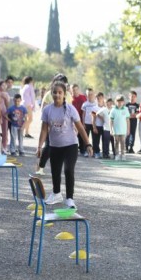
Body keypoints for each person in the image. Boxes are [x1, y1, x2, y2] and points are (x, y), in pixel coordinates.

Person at [37, 81, 93, 209]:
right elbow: (44, 130)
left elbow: (80, 127)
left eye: (60, 92)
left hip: (70, 145)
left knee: (68, 170)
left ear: (64, 94)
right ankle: (56, 194)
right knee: (55, 171)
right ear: (51, 93)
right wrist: (39, 146)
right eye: (55, 92)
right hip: (54, 146)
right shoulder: (47, 110)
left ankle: (69, 199)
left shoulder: (70, 109)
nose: (57, 95)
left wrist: (88, 144)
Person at [35, 74, 72, 176]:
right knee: (48, 147)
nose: (62, 84)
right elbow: (44, 109)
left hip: (63, 126)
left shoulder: (68, 95)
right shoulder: (49, 94)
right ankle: (40, 166)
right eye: (60, 81)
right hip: (50, 126)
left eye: (64, 82)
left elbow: (70, 110)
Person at [110, 95, 130, 161]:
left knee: (123, 143)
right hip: (116, 130)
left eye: (121, 102)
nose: (119, 103)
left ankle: (123, 155)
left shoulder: (126, 109)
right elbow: (111, 120)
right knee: (116, 143)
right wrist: (111, 129)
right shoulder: (113, 110)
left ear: (123, 102)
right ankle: (117, 155)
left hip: (123, 130)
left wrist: (128, 129)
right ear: (115, 102)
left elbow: (127, 120)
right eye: (118, 102)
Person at [80, 88, 97, 156]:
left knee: (95, 138)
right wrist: (83, 123)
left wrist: (95, 125)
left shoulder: (96, 104)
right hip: (86, 123)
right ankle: (86, 151)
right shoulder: (85, 104)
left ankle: (94, 152)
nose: (90, 96)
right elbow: (83, 114)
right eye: (88, 95)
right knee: (86, 137)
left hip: (94, 124)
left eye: (91, 94)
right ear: (86, 96)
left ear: (94, 94)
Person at [71, 84, 87, 155]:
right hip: (73, 120)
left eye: (76, 89)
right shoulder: (70, 99)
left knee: (82, 134)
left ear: (78, 90)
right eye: (73, 90)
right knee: (74, 135)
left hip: (81, 119)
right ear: (71, 90)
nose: (75, 91)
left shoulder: (83, 98)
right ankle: (74, 150)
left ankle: (83, 150)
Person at [0, 80, 11, 154]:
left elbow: (7, 104)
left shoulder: (5, 94)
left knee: (4, 130)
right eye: (2, 85)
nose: (4, 86)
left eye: (5, 85)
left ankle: (4, 147)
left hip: (4, 112)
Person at [91, 92, 105, 158]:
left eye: (101, 98)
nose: (99, 99)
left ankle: (105, 153)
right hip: (97, 126)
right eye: (98, 98)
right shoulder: (94, 108)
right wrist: (94, 127)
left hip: (104, 127)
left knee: (104, 140)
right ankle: (96, 152)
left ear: (103, 98)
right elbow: (93, 118)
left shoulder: (105, 108)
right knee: (96, 141)